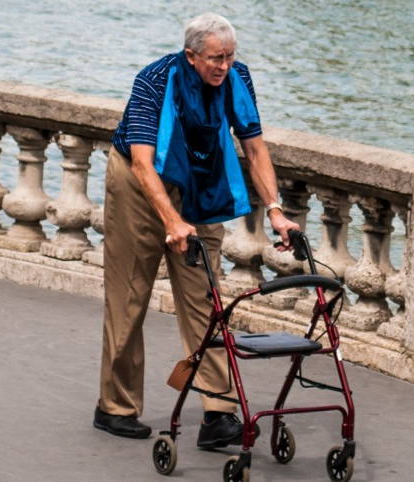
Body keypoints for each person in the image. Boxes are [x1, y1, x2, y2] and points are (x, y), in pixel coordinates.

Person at [93, 12, 298, 448]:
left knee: (207, 298)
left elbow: (255, 147)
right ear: (191, 56)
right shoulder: (154, 81)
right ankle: (115, 407)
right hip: (139, 184)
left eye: (229, 56)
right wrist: (171, 221)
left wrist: (276, 210)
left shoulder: (237, 78)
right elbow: (144, 163)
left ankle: (217, 413)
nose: (223, 66)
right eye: (214, 59)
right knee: (130, 295)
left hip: (200, 184)